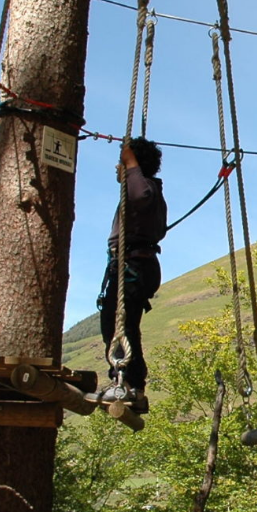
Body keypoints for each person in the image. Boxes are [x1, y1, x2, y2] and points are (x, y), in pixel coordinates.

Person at [98, 138, 167, 413]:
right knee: (119, 325)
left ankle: (128, 382)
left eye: (122, 163)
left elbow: (140, 194)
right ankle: (129, 382)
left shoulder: (144, 189)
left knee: (119, 326)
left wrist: (130, 164)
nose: (118, 168)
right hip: (134, 265)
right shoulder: (149, 191)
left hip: (133, 267)